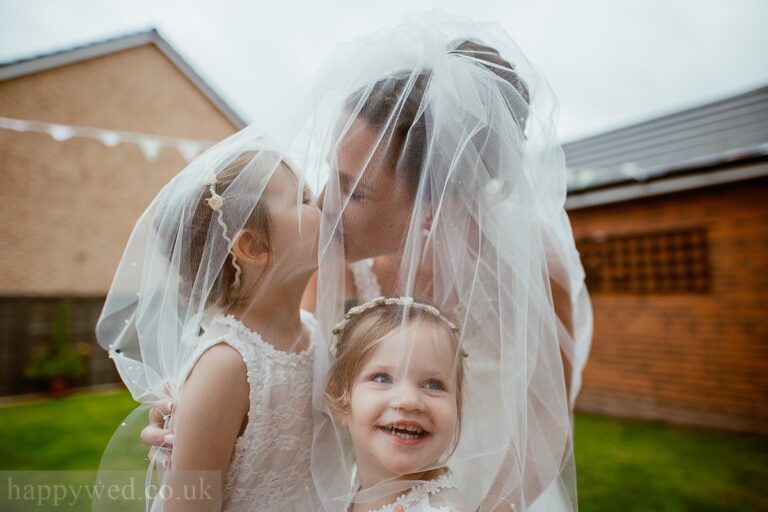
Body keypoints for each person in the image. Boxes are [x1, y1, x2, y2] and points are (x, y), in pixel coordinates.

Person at [141, 12, 592, 511]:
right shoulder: (327, 256)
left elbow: (550, 419)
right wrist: (202, 422)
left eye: (354, 190)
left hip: (501, 483)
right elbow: (302, 383)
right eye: (331, 173)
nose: (325, 203)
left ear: (434, 202)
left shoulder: (527, 258)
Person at [96, 148, 322, 511]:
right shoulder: (227, 366)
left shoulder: (316, 331)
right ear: (255, 246)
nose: (324, 203)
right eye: (304, 199)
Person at [325, 297, 468, 511]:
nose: (409, 401)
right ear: (342, 400)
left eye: (433, 384)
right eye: (382, 378)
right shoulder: (351, 481)